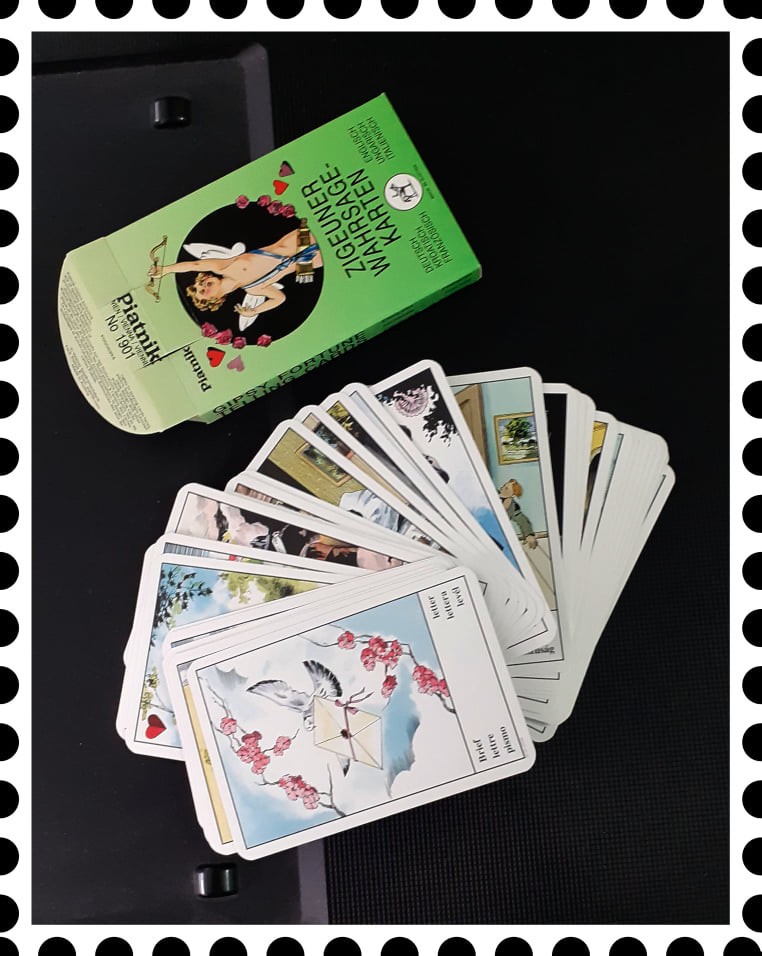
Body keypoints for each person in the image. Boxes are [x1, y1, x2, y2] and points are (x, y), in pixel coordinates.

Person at [148, 220, 323, 327]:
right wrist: (254, 311)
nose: (202, 285)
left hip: (299, 241)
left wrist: (166, 270)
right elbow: (279, 298)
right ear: (214, 300)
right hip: (309, 262)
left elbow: (194, 264)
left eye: (200, 283)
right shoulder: (253, 289)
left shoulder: (224, 267)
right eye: (202, 291)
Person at [498, 479, 538, 549]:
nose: (502, 488)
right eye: (503, 486)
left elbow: (523, 521)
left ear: (513, 494)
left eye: (506, 488)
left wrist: (529, 535)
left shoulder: (512, 506)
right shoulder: (496, 494)